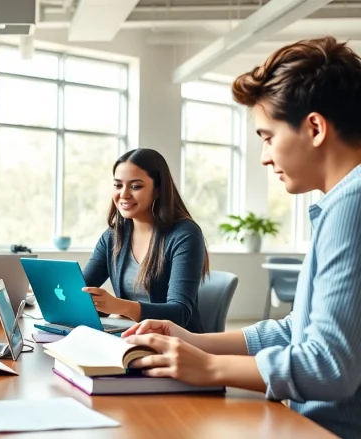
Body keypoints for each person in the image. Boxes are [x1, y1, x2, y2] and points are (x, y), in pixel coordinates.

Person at [122, 37, 361, 438]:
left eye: (267, 137)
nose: (265, 156)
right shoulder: (340, 203)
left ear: (315, 128)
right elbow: (294, 330)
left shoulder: (350, 206)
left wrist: (210, 368)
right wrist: (195, 341)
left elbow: (329, 367)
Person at [81, 148, 209, 333]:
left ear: (158, 189)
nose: (124, 194)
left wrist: (118, 306)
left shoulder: (185, 234)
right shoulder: (113, 236)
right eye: (118, 185)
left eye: (135, 186)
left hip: (175, 342)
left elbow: (180, 313)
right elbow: (81, 289)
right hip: (130, 335)